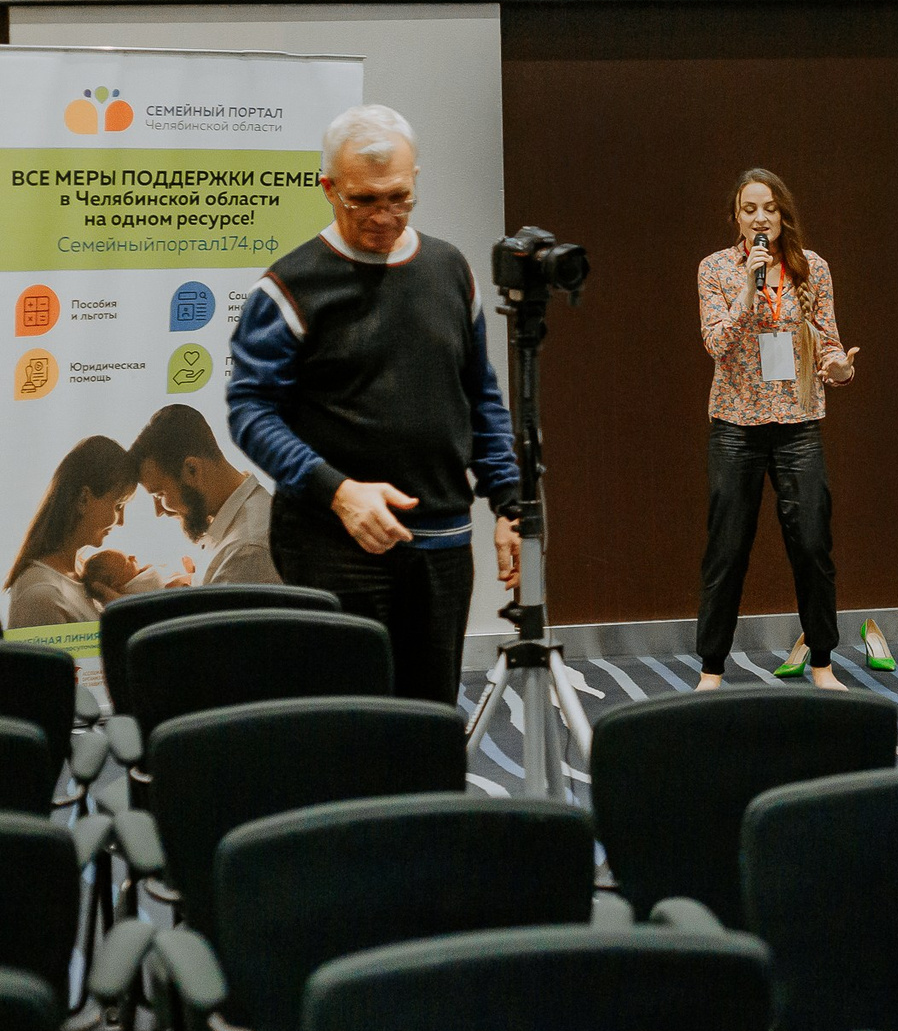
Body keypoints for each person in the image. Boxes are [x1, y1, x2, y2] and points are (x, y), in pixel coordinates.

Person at [229, 104, 521, 706]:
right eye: (364, 200)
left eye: (400, 198)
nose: (384, 216)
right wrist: (338, 490)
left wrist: (511, 504)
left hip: (441, 537)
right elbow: (251, 412)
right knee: (348, 718)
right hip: (333, 540)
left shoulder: (449, 269)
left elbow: (481, 396)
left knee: (431, 713)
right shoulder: (290, 286)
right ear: (328, 188)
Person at [694, 167, 871, 689]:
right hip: (736, 424)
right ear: (736, 217)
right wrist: (748, 294)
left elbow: (830, 341)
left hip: (797, 424)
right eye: (749, 209)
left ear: (782, 214)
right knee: (726, 548)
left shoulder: (811, 269)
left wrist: (841, 368)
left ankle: (821, 662)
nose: (759, 218)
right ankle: (711, 669)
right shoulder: (716, 270)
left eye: (768, 208)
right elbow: (716, 345)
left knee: (813, 544)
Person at [5, 438, 161, 629]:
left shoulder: (82, 576)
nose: (121, 521)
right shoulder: (41, 594)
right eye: (118, 506)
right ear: (84, 499)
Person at [129, 403, 281, 586]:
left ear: (192, 469)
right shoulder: (233, 527)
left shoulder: (246, 550)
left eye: (159, 494)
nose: (159, 511)